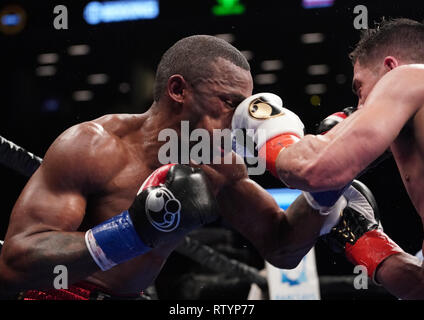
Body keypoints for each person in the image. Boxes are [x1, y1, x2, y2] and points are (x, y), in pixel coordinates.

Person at [0, 35, 367, 300]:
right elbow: (15, 261)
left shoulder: (216, 163)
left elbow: (282, 247)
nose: (238, 119)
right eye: (228, 102)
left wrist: (325, 189)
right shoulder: (92, 145)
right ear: (178, 90)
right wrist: (132, 231)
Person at [233, 18, 424, 299]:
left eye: (360, 89)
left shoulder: (409, 77)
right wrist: (364, 240)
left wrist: (269, 127)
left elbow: (313, 170)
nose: (360, 107)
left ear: (391, 68)